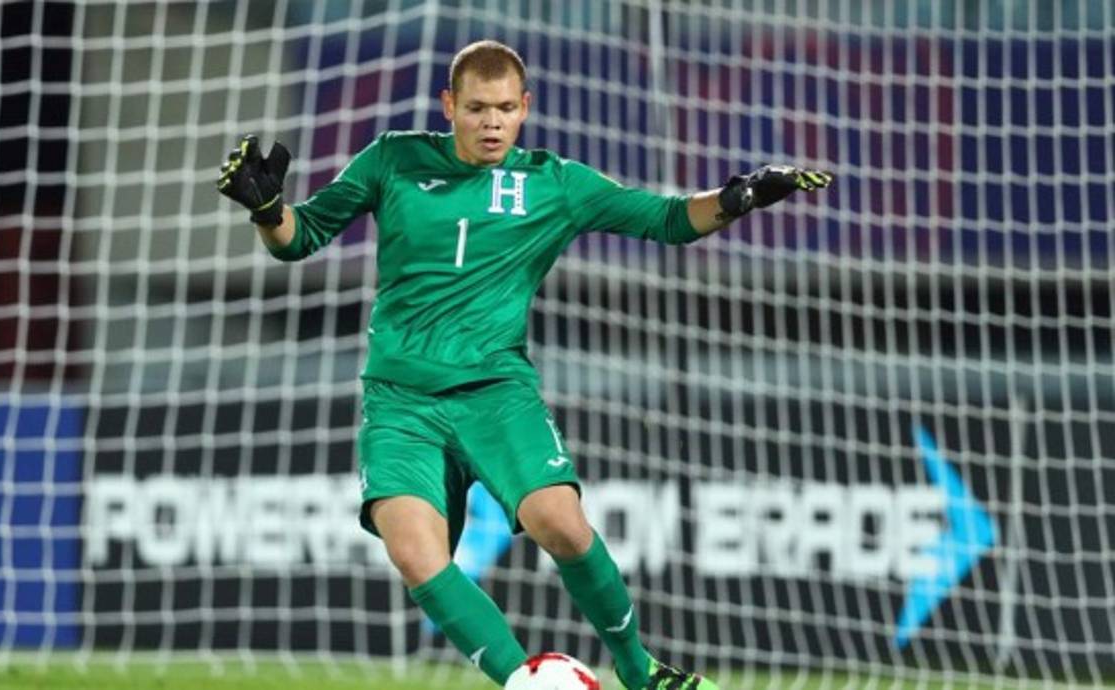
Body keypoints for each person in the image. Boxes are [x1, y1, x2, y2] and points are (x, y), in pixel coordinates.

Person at [217, 40, 830, 690]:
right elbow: (300, 237)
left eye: (506, 109)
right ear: (448, 105)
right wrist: (268, 211)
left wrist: (741, 196)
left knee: (560, 523)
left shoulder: (553, 184)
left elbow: (668, 219)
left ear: (525, 108)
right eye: (477, 108)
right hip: (401, 400)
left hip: (495, 392)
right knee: (414, 553)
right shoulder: (392, 159)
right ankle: (523, 682)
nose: (492, 123)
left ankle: (640, 670)